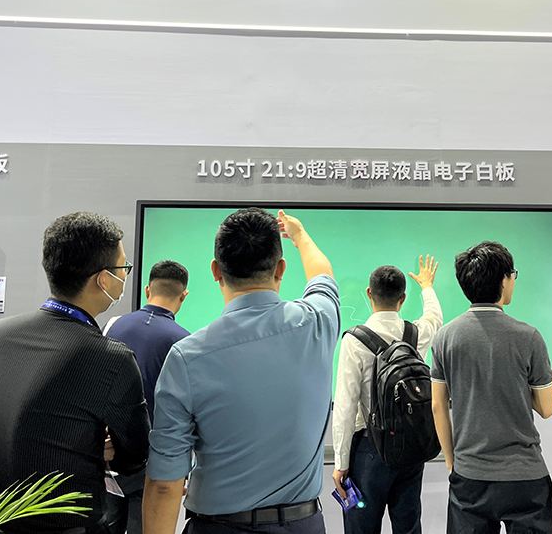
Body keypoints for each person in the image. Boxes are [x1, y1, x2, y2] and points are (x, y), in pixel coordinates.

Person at [143, 208, 340, 534]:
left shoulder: (186, 357)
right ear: (280, 269)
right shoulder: (318, 321)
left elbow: (165, 484)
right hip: (303, 525)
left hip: (219, 528)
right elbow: (322, 274)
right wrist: (300, 236)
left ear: (215, 270)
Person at [0, 212, 150, 534]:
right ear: (104, 280)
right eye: (124, 267)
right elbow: (134, 456)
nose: (126, 275)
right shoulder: (111, 358)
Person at [430, 241, 552, 534]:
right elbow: (547, 408)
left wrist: (452, 462)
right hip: (525, 477)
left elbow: (438, 405)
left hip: (469, 476)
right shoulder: (529, 337)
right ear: (503, 280)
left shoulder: (445, 337)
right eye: (513, 275)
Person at [332, 256, 442, 534]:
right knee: (408, 526)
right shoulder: (416, 334)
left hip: (369, 450)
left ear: (369, 293)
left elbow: (345, 406)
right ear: (403, 298)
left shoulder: (355, 340)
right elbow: (435, 318)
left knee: (362, 528)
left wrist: (341, 463)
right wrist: (427, 286)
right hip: (411, 448)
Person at [103, 260, 191, 534]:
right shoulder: (184, 342)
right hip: (153, 464)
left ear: (146, 290)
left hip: (108, 456)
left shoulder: (112, 327)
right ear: (183, 296)